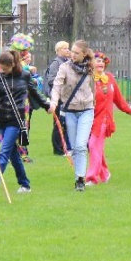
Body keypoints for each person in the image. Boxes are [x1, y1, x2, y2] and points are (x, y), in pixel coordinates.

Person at [0, 51, 50, 194]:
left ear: (12, 65)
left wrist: (47, 105)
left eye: (5, 69)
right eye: (0, 68)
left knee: (3, 152)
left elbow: (35, 92)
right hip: (2, 120)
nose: (2, 71)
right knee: (13, 154)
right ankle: (25, 185)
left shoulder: (25, 76)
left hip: (16, 119)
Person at [49, 41, 96, 191]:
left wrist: (94, 103)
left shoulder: (90, 69)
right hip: (69, 112)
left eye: (76, 52)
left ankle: (81, 179)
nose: (72, 54)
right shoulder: (64, 67)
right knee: (75, 147)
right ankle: (78, 176)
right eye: (72, 52)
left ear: (84, 54)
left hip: (87, 110)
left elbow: (94, 88)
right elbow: (56, 86)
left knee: (81, 145)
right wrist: (54, 102)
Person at [85, 51, 131, 185]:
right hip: (89, 118)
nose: (100, 63)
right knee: (97, 147)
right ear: (91, 63)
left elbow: (118, 99)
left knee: (93, 145)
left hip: (104, 119)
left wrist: (129, 110)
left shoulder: (110, 78)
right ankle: (105, 173)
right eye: (97, 60)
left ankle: (92, 178)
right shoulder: (87, 79)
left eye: (102, 61)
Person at [45, 41, 70, 155]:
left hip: (66, 97)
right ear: (59, 50)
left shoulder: (67, 62)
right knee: (58, 123)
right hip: (58, 98)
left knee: (65, 123)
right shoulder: (56, 63)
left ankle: (64, 147)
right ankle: (58, 149)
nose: (67, 50)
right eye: (65, 48)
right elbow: (51, 80)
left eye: (68, 48)